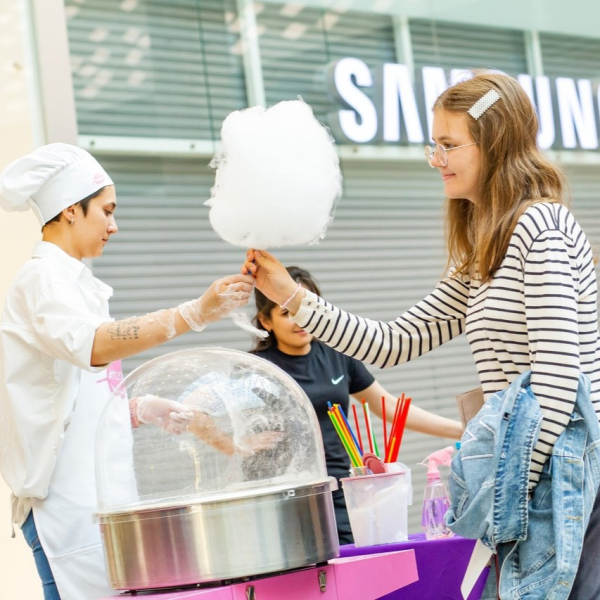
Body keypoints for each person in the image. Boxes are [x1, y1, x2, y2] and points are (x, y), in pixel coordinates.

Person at [242, 72, 600, 596]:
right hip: (527, 479)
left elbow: (558, 379)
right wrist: (291, 295)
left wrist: (509, 490)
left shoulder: (541, 228)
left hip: (565, 479)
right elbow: (395, 341)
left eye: (450, 145)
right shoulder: (483, 251)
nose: (438, 159)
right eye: (434, 145)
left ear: (496, 144)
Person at [0, 143, 255, 600]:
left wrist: (136, 408)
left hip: (104, 503)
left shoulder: (78, 284)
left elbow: (71, 396)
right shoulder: (41, 279)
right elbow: (94, 344)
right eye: (107, 210)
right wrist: (194, 312)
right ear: (69, 211)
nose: (114, 226)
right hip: (68, 509)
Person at [250, 265, 462, 544]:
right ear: (266, 321)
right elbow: (221, 422)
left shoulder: (339, 355)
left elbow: (387, 406)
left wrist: (463, 430)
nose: (299, 320)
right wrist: (234, 444)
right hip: (288, 497)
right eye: (287, 312)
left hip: (343, 492)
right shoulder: (257, 369)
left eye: (303, 308)